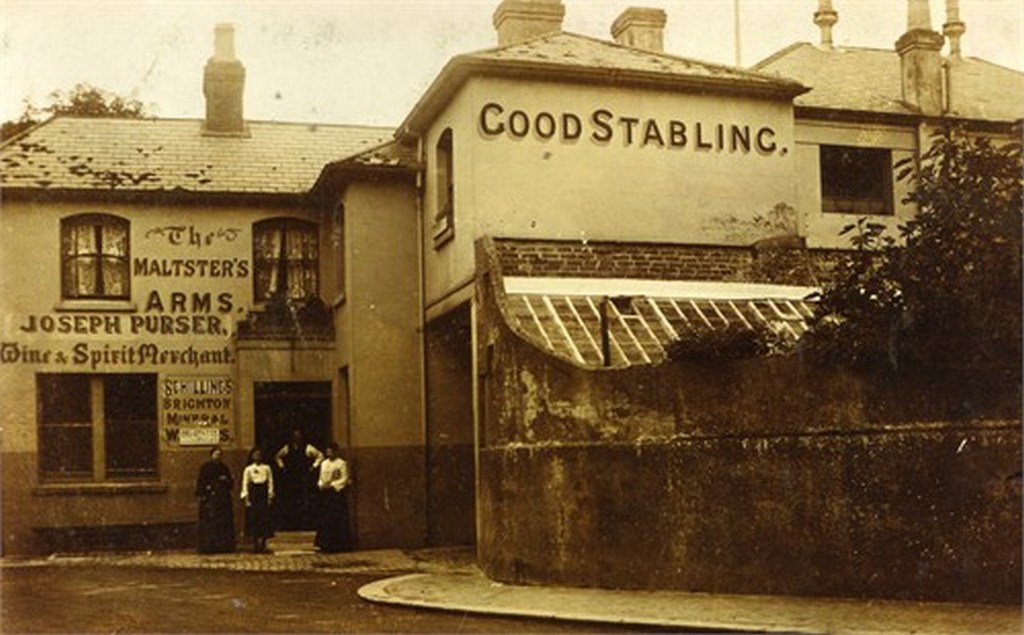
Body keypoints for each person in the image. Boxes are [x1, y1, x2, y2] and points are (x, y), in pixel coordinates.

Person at [274, 429, 324, 530]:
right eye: (295, 436)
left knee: (304, 500)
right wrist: (282, 467)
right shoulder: (287, 448)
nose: (297, 438)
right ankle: (291, 523)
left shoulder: (308, 447)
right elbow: (277, 457)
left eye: (299, 435)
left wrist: (314, 467)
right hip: (291, 478)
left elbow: (320, 456)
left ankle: (304, 524)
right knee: (290, 500)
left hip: (303, 477)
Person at [195, 447, 235, 554]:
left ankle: (223, 546)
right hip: (210, 499)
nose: (218, 456)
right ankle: (208, 546)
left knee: (222, 523)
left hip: (222, 500)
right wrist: (203, 494)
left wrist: (225, 480)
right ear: (211, 455)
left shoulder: (224, 467)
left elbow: (230, 483)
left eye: (220, 454)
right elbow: (201, 482)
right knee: (209, 523)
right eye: (216, 454)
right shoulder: (205, 467)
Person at [314, 442, 351, 553]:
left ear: (336, 451)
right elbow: (321, 478)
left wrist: (333, 486)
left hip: (335, 495)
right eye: (327, 452)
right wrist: (321, 485)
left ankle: (337, 544)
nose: (329, 454)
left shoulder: (341, 464)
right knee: (324, 519)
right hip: (325, 494)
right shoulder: (324, 464)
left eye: (331, 451)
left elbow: (344, 478)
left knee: (335, 519)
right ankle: (324, 544)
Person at [241, 447, 275, 553]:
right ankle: (255, 543)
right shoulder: (249, 469)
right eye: (255, 455)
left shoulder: (267, 468)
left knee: (264, 519)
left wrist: (270, 496)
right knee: (254, 519)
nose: (257, 457)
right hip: (254, 494)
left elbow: (270, 482)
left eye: (259, 455)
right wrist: (246, 497)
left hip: (263, 493)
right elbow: (245, 483)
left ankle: (264, 543)